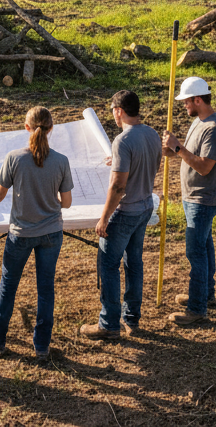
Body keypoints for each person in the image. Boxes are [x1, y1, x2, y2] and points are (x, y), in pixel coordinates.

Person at [0, 106, 73, 362]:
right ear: (51, 129)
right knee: (45, 289)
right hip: (51, 232)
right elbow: (67, 202)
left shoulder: (15, 158)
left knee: (8, 285)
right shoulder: (61, 160)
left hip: (21, 233)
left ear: (26, 127)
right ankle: (41, 346)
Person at [81, 90, 161, 341]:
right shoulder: (151, 134)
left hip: (126, 211)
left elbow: (117, 187)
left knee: (108, 264)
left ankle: (108, 324)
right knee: (134, 263)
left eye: (113, 111)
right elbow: (145, 162)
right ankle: (131, 318)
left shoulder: (123, 141)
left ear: (119, 111)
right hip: (145, 206)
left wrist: (104, 217)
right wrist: (117, 161)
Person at [162, 76, 216, 326]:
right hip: (196, 199)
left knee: (196, 253)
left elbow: (203, 167)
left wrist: (178, 148)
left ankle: (197, 308)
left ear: (198, 100)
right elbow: (189, 154)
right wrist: (170, 149)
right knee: (205, 246)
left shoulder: (213, 129)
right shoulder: (200, 122)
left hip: (203, 200)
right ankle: (206, 295)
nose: (184, 106)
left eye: (187, 102)